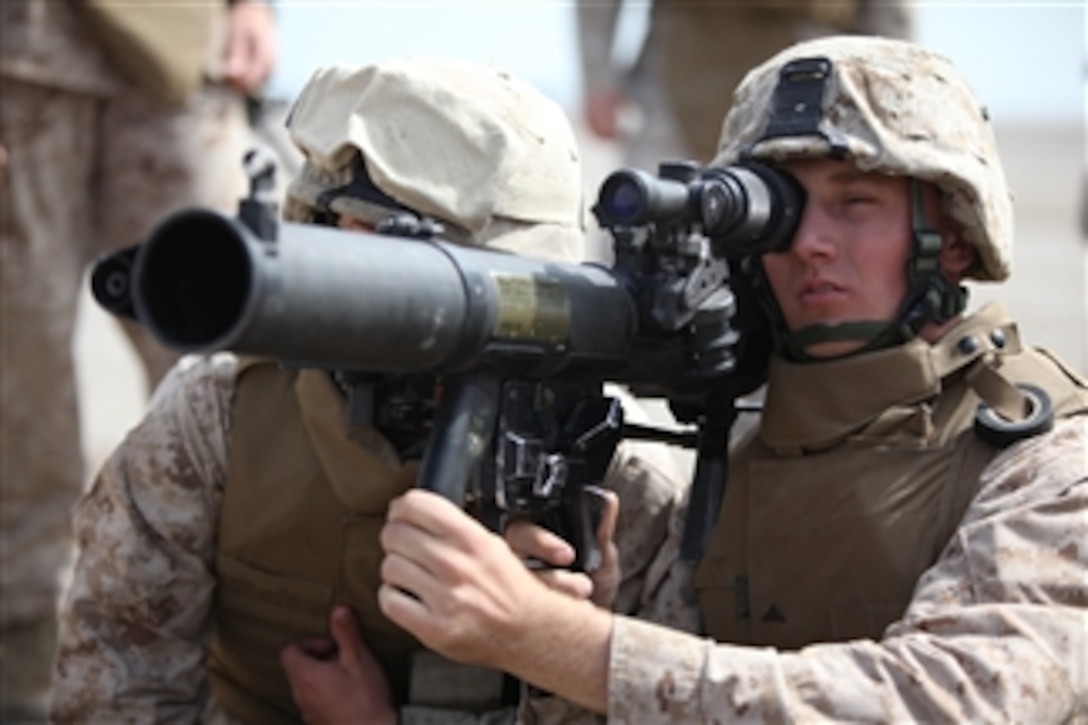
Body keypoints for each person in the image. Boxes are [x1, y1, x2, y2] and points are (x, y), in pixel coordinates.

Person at [372, 35, 1088, 722]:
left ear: (953, 237)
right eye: (781, 211)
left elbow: (946, 704)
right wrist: (566, 643)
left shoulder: (1049, 466)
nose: (808, 242)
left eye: (855, 202)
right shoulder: (735, 458)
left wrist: (558, 641)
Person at [51, 58, 687, 723]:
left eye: (408, 247)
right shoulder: (217, 416)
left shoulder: (615, 478)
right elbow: (113, 698)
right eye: (339, 229)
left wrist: (559, 652)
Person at [0, 2, 276, 720]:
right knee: (14, 390)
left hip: (176, 53)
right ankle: (22, 681)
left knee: (234, 364)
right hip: (20, 57)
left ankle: (248, 665)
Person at [577, 0, 914, 170]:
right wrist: (599, 82)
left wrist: (888, 95)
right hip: (681, 68)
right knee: (648, 225)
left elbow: (892, 13)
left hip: (815, 72)